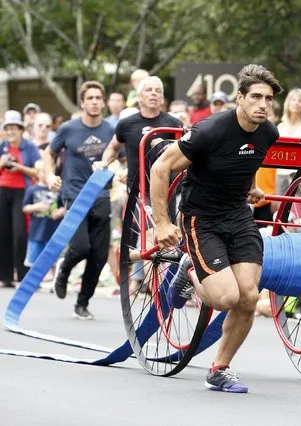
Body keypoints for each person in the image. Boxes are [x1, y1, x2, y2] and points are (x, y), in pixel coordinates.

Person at [150, 64, 282, 393]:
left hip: (237, 215)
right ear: (239, 98)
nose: (263, 104)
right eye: (255, 97)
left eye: (268, 98)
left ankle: (220, 368)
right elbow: (160, 167)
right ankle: (189, 269)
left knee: (249, 297)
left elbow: (247, 159)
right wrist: (163, 222)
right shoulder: (210, 130)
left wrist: (251, 186)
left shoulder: (269, 132)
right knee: (225, 299)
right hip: (201, 218)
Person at [43, 81, 115, 320]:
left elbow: (121, 158)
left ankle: (82, 304)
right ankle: (64, 269)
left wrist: (123, 171)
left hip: (102, 195)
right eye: (90, 98)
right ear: (82, 102)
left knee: (99, 255)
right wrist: (50, 175)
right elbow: (49, 152)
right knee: (81, 247)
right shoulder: (68, 128)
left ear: (103, 102)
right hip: (75, 195)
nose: (94, 102)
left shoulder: (110, 130)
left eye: (98, 98)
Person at [96, 76, 182, 191]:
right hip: (136, 190)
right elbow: (113, 148)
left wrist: (166, 147)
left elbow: (185, 154)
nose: (153, 93)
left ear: (162, 98)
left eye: (158, 91)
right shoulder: (126, 124)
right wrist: (104, 162)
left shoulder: (174, 123)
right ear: (138, 97)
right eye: (148, 90)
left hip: (166, 189)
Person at [0, 110, 40, 287]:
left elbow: (37, 172)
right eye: (8, 128)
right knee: (3, 233)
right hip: (2, 191)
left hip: (22, 192)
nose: (10, 132)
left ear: (20, 129)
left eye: (14, 128)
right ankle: (5, 276)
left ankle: (22, 275)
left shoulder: (30, 147)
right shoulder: (2, 146)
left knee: (19, 233)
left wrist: (19, 167)